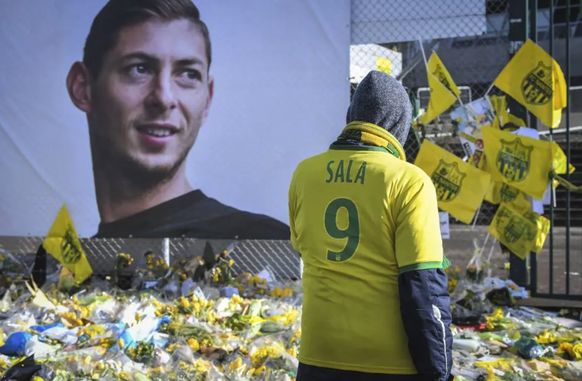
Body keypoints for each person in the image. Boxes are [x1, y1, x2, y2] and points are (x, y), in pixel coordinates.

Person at [66, 0, 290, 240]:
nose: (164, 98)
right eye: (139, 69)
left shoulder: (268, 249)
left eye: (188, 74)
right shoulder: (60, 270)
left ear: (207, 99)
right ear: (83, 88)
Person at [288, 71, 453, 381]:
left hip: (318, 354)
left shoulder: (304, 174)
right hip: (390, 362)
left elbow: (302, 248)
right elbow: (424, 288)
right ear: (400, 125)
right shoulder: (409, 181)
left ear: (352, 117)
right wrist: (439, 370)